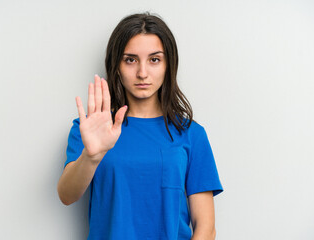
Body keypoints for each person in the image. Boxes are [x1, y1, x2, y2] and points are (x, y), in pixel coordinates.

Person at [57, 12, 223, 240]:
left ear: (168, 65)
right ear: (116, 66)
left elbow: (206, 228)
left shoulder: (192, 134)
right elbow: (66, 195)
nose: (142, 73)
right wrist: (92, 157)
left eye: (154, 59)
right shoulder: (90, 129)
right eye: (130, 59)